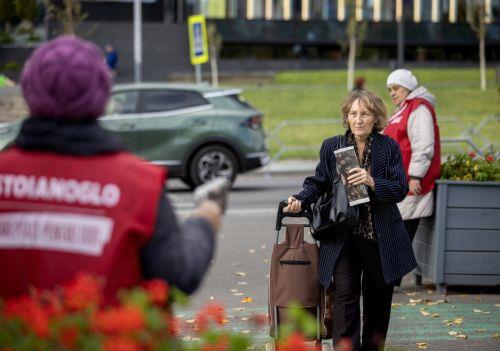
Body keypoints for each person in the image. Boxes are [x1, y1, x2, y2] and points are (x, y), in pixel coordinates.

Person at [0, 36, 221, 304]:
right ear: (102, 97)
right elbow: (178, 275)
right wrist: (205, 220)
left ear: (29, 91)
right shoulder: (139, 185)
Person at [284, 90, 417, 351]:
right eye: (353, 114)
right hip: (343, 235)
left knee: (378, 300)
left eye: (365, 114)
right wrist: (301, 199)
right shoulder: (333, 146)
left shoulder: (387, 146)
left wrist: (372, 181)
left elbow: (400, 188)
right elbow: (318, 182)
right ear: (346, 117)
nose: (358, 120)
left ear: (375, 118)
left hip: (380, 237)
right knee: (344, 297)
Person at [384, 69, 440, 246]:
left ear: (407, 88)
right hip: (398, 183)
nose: (392, 93)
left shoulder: (418, 108)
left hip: (411, 184)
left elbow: (423, 144)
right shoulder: (403, 110)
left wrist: (416, 175)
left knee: (398, 243)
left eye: (396, 88)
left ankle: (392, 275)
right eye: (390, 89)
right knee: (394, 241)